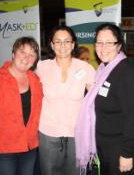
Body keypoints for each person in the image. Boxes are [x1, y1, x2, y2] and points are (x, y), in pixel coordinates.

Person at [75, 23, 134, 175]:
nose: (103, 47)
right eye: (99, 42)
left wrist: (126, 153)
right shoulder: (102, 70)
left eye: (109, 43)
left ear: (119, 46)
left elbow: (132, 118)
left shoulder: (126, 73)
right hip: (104, 146)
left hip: (119, 149)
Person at [0, 37, 43, 175]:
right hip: (4, 147)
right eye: (22, 52)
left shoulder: (35, 80)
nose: (26, 57)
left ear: (35, 59)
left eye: (32, 54)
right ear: (13, 53)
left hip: (29, 145)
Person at [36, 25, 95, 175]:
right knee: (49, 172)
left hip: (77, 133)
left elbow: (97, 97)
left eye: (67, 41)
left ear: (73, 44)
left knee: (75, 172)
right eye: (58, 41)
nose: (62, 46)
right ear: (51, 44)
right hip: (48, 132)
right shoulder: (42, 67)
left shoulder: (85, 68)